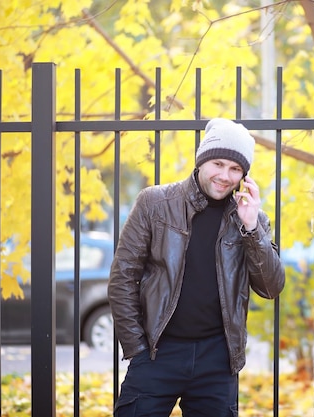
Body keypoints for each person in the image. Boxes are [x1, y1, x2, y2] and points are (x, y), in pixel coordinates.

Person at [108, 118, 285, 417]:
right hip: (156, 353)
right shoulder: (155, 203)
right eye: (218, 163)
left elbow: (270, 287)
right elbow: (122, 277)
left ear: (244, 175)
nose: (225, 176)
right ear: (201, 161)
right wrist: (137, 348)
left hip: (217, 360)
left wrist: (251, 228)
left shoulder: (251, 219)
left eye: (235, 169)